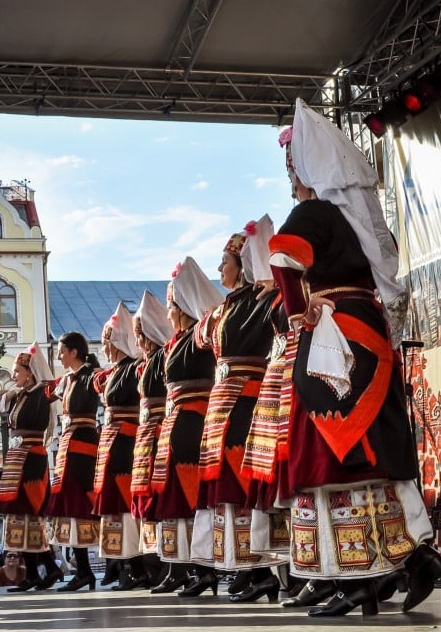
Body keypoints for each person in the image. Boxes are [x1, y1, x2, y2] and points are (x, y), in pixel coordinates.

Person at [270, 98, 441, 617]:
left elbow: (282, 257)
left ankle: (358, 578)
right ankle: (408, 557)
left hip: (336, 342)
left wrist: (300, 307)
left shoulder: (314, 213)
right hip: (368, 332)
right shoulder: (360, 220)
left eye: (292, 167)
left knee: (334, 458)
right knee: (377, 451)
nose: (290, 177)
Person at [190, 224, 283, 603]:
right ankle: (243, 567)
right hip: (224, 405)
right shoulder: (228, 307)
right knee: (225, 490)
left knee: (242, 485)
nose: (219, 269)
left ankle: (261, 570)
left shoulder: (259, 300)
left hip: (244, 403)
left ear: (242, 266)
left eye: (224, 262)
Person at [150, 257, 222, 597]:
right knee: (176, 499)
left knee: (193, 497)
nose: (168, 313)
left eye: (172, 306)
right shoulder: (176, 342)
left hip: (193, 422)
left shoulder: (199, 334)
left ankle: (204, 568)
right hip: (175, 423)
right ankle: (182, 566)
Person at [0, 344, 63, 592]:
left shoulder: (41, 393)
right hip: (17, 459)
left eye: (17, 371)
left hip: (32, 460)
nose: (14, 376)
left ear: (30, 372)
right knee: (20, 517)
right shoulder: (20, 395)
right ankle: (37, 572)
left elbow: (55, 387)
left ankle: (43, 569)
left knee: (31, 515)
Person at [94, 302, 147, 590]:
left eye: (108, 340)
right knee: (115, 505)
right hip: (113, 444)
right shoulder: (114, 371)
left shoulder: (133, 368)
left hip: (126, 443)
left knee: (126, 505)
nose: (104, 346)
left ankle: (136, 565)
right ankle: (125, 565)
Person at [129, 291, 178, 593]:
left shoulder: (162, 355)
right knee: (149, 499)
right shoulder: (147, 362)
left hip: (161, 429)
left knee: (163, 496)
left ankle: (172, 567)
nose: (138, 339)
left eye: (140, 332)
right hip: (148, 433)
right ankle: (159, 564)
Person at [45, 331, 101, 592]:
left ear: (74, 352)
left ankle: (109, 568)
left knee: (82, 504)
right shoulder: (70, 379)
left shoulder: (89, 375)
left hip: (83, 445)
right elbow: (47, 391)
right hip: (69, 445)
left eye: (61, 350)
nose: (58, 355)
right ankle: (84, 571)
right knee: (71, 507)